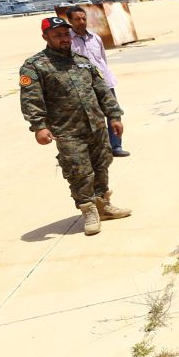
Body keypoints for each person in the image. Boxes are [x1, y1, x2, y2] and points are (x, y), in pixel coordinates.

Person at [19, 17, 132, 236]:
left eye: (65, 34)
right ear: (46, 37)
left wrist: (114, 115)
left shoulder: (82, 61)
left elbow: (101, 90)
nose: (63, 39)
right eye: (57, 35)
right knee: (78, 171)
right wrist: (38, 126)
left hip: (96, 126)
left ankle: (103, 205)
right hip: (67, 131)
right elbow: (31, 99)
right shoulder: (35, 66)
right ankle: (88, 210)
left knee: (102, 165)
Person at [65, 5, 130, 157]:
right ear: (70, 21)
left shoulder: (95, 38)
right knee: (91, 117)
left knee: (113, 114)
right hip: (84, 86)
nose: (81, 22)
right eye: (77, 19)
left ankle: (116, 146)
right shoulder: (68, 41)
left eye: (83, 18)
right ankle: (97, 148)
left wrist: (105, 76)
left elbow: (103, 60)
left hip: (105, 82)